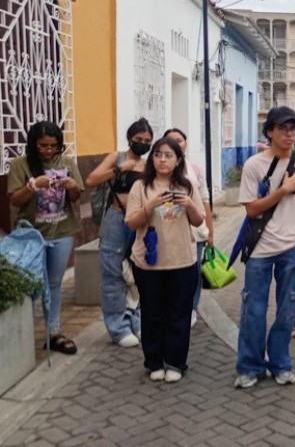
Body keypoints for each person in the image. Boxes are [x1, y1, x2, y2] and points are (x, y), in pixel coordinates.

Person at [234, 106, 295, 389]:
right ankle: (250, 366)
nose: (289, 134)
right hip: (260, 248)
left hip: (292, 248)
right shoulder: (254, 165)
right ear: (269, 131)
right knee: (254, 310)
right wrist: (282, 190)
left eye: (293, 129)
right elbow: (251, 209)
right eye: (282, 128)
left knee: (287, 310)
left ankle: (281, 363)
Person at [125, 138, 205, 383]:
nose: (162, 159)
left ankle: (176, 362)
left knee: (179, 314)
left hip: (182, 260)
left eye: (169, 155)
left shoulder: (187, 185)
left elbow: (198, 220)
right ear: (152, 158)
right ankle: (154, 362)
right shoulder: (140, 186)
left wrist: (189, 204)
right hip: (149, 262)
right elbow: (132, 223)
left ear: (178, 160)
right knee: (152, 313)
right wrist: (150, 205)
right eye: (158, 154)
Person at [8, 121, 84, 355]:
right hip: (31, 236)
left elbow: (76, 196)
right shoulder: (20, 164)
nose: (49, 150)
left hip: (62, 232)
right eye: (43, 145)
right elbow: (15, 200)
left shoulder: (67, 162)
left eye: (53, 146)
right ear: (33, 144)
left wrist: (72, 186)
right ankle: (24, 334)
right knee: (30, 283)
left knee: (54, 284)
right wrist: (33, 186)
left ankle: (53, 332)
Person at [85, 118, 153, 347]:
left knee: (140, 272)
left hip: (141, 221)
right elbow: (91, 179)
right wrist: (119, 169)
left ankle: (138, 322)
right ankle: (118, 327)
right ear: (129, 139)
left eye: (147, 141)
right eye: (139, 139)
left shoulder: (149, 164)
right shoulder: (118, 157)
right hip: (116, 219)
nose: (143, 143)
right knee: (112, 273)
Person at [162, 128, 214, 328]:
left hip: (194, 230)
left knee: (194, 272)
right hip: (168, 230)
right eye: (171, 140)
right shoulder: (160, 169)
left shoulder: (195, 169)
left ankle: (191, 308)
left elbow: (205, 201)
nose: (176, 144)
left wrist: (210, 232)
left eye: (180, 140)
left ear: (185, 143)